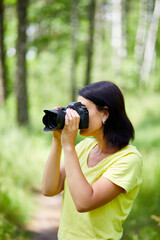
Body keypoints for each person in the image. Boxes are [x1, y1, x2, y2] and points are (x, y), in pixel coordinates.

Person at [42, 81, 143, 240]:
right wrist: (57, 140)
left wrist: (68, 146)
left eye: (82, 110)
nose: (75, 116)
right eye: (74, 109)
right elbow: (49, 189)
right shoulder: (86, 147)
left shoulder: (129, 160)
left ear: (105, 114)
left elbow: (84, 203)